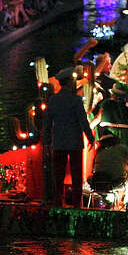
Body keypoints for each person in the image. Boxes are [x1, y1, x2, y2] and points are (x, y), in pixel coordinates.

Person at [44, 69, 94, 207]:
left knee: (58, 175)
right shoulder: (76, 100)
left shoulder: (53, 100)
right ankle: (77, 204)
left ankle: (58, 201)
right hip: (75, 143)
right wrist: (90, 138)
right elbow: (83, 121)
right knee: (76, 175)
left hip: (59, 143)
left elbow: (47, 123)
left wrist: (47, 143)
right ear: (70, 83)